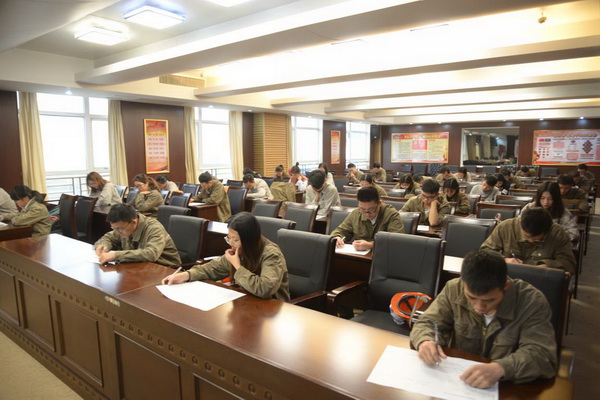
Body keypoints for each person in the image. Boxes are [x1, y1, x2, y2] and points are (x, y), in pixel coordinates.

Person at [410, 249, 557, 388]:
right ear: (464, 283)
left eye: (489, 300)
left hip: (507, 387)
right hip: (457, 380)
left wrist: (502, 368)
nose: (479, 307)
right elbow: (427, 322)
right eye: (471, 297)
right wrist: (425, 341)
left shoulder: (531, 302)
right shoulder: (453, 289)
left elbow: (542, 354)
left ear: (506, 286)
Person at [162, 212, 290, 301]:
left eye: (236, 240)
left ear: (249, 240)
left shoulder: (271, 254)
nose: (231, 243)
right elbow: (213, 268)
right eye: (229, 238)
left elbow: (265, 288)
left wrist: (237, 266)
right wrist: (187, 275)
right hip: (246, 300)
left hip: (272, 308)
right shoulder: (239, 250)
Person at [480, 207, 576, 273]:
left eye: (536, 239)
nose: (531, 240)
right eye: (527, 236)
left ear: (547, 231)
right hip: (508, 275)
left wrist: (547, 266)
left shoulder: (557, 233)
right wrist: (505, 260)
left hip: (541, 278)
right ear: (520, 224)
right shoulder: (506, 227)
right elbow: (485, 251)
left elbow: (569, 263)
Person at [94, 203, 181, 266]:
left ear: (134, 222)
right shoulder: (123, 227)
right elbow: (108, 237)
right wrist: (103, 245)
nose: (118, 232)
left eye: (120, 229)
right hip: (140, 266)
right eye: (114, 228)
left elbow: (152, 253)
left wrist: (116, 255)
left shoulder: (154, 228)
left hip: (165, 269)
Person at [331, 187, 403, 251]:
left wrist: (371, 245)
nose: (367, 214)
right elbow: (340, 230)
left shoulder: (391, 215)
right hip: (359, 257)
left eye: (371, 210)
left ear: (379, 203)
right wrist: (337, 237)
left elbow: (396, 241)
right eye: (362, 209)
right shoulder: (356, 213)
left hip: (384, 257)